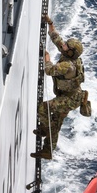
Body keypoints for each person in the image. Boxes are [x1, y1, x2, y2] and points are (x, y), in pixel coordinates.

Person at [32, 16, 85, 159]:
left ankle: (45, 129)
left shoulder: (68, 65)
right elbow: (57, 40)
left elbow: (50, 71)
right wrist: (50, 24)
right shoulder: (72, 56)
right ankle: (48, 150)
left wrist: (47, 59)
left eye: (67, 46)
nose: (64, 46)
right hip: (68, 96)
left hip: (70, 99)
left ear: (71, 52)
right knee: (55, 122)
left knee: (43, 108)